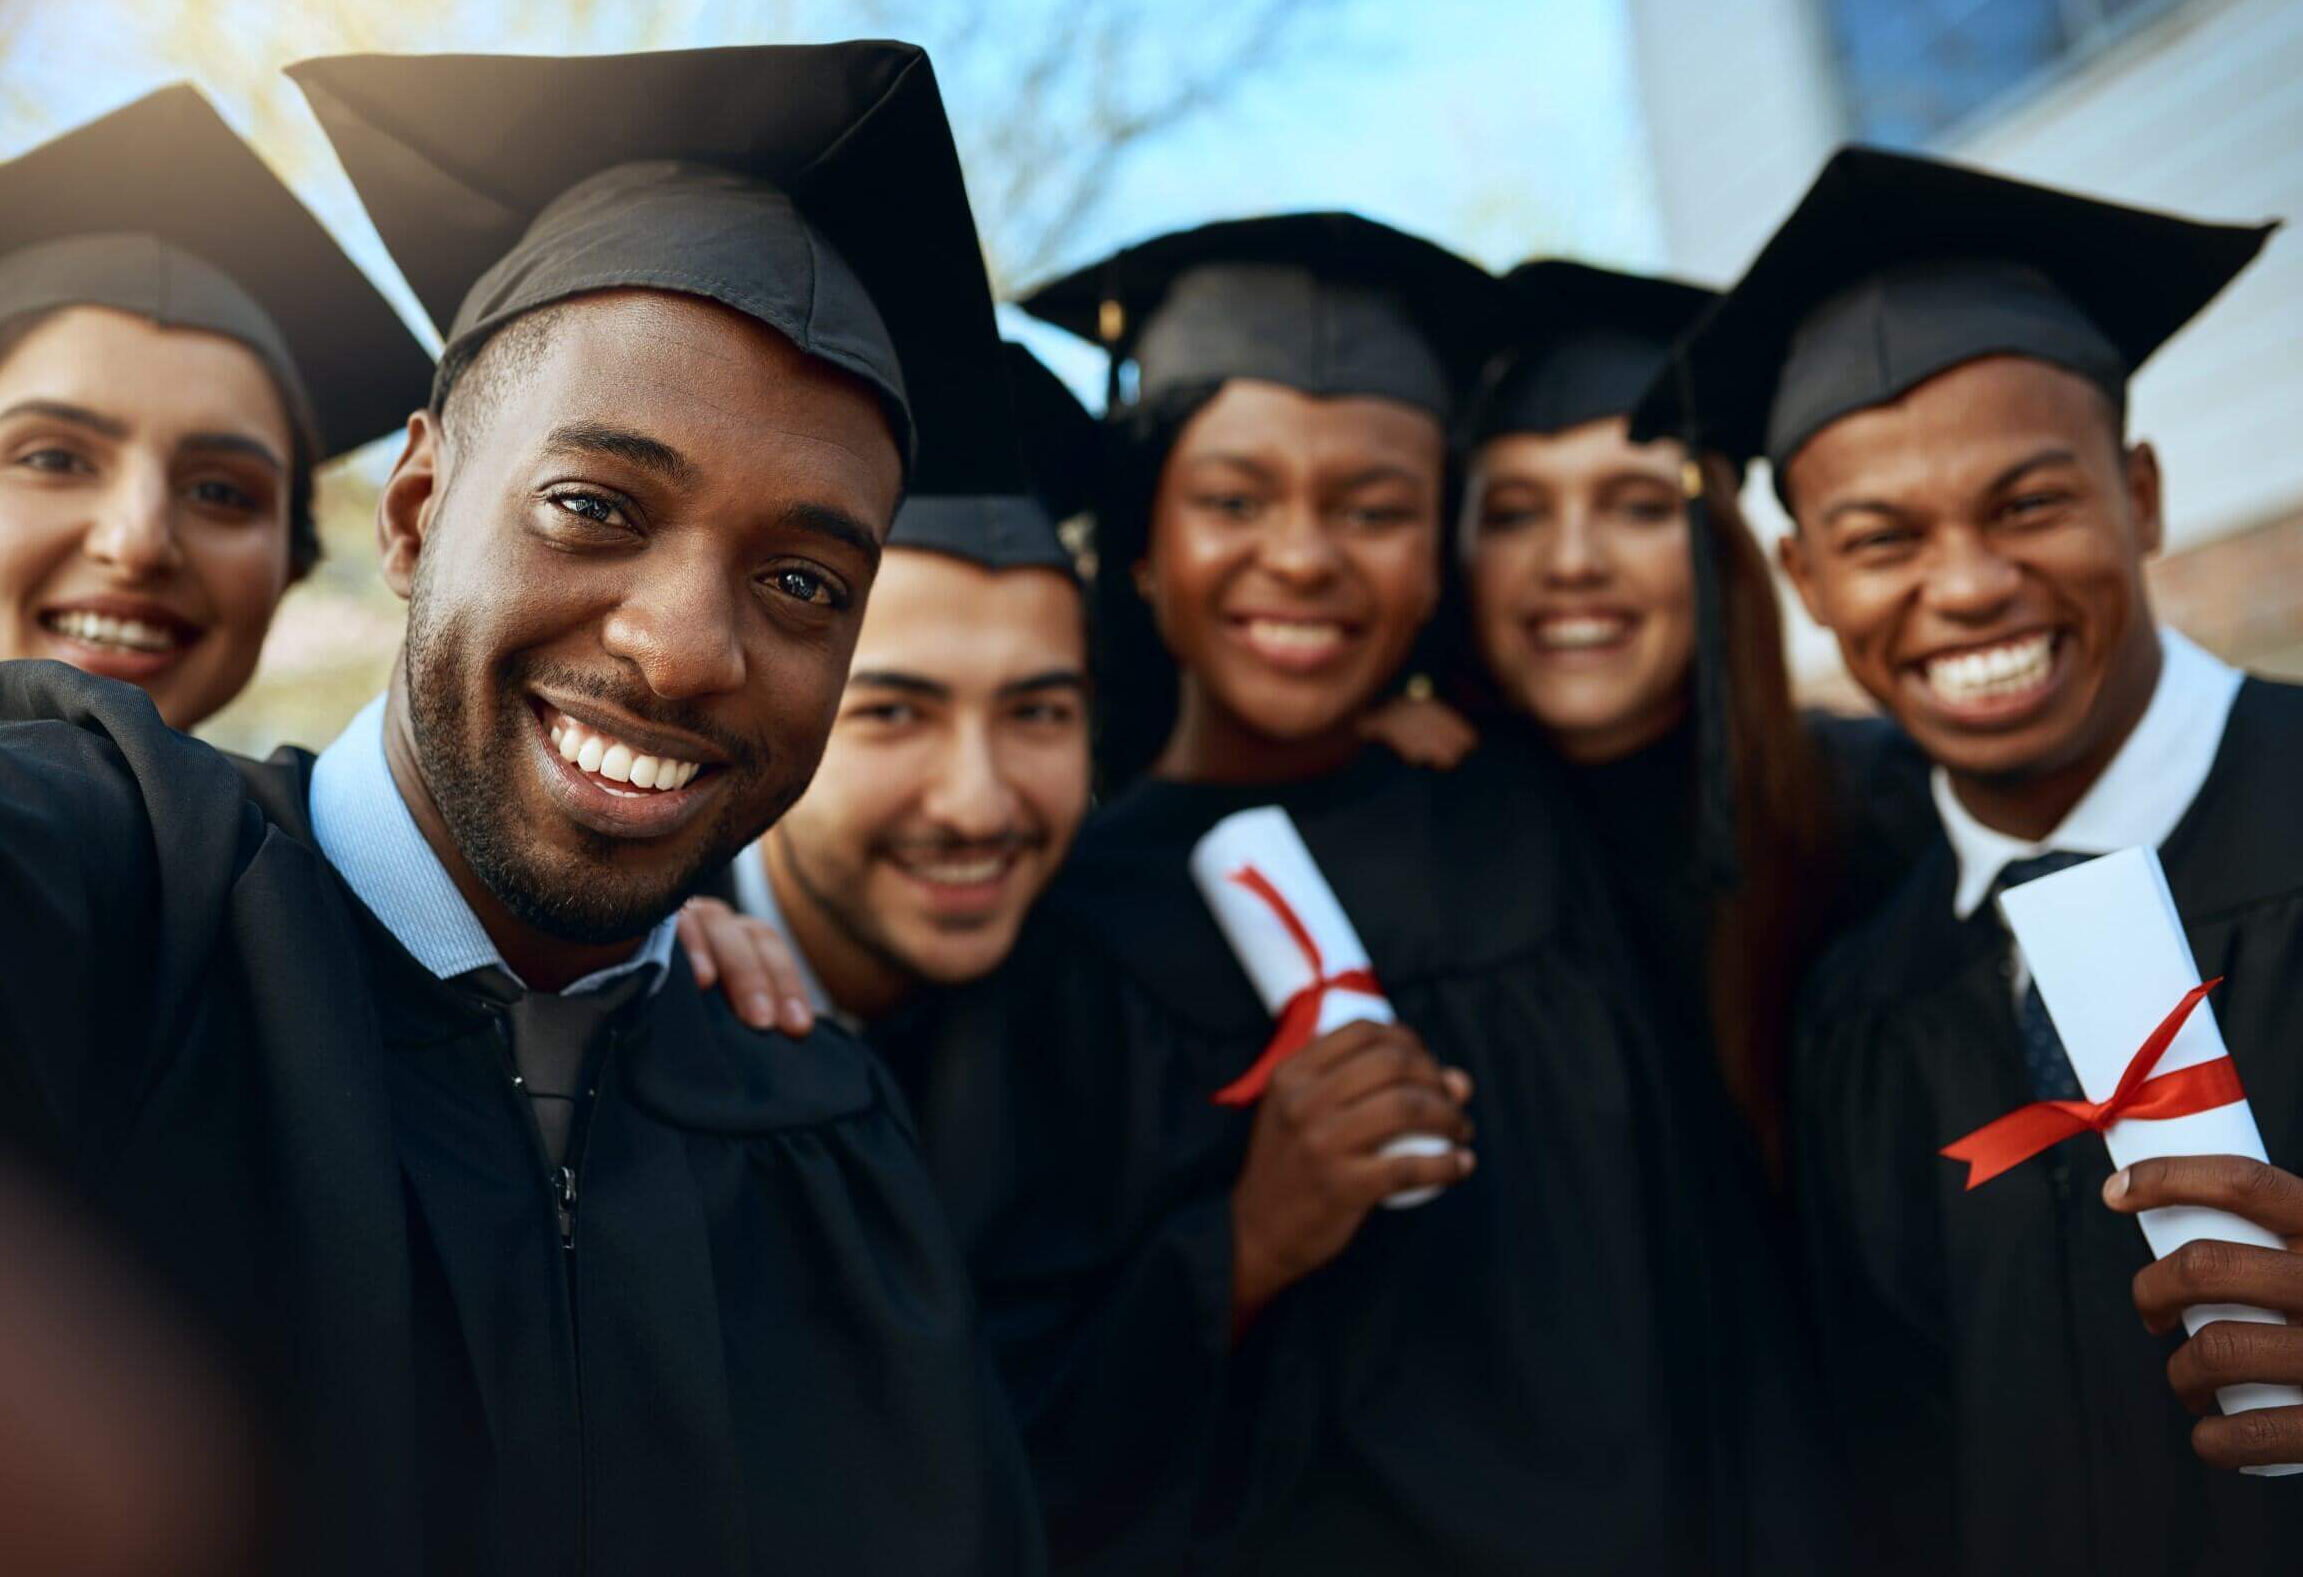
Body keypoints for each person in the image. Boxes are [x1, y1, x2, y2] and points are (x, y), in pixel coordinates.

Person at [0, 40, 1041, 1577]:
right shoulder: (97, 868)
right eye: (595, 508)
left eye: (805, 582)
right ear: (417, 513)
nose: (687, 649)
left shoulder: (816, 1121)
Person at [921, 212, 1834, 1574]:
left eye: (1377, 508)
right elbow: (999, 1427)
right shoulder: (1053, 927)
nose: (1303, 557)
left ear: (1434, 572)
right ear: (1144, 549)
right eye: (1233, 501)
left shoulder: (1528, 809)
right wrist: (1240, 1244)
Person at [1638, 143, 2301, 1573]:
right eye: (1879, 540)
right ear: (1809, 582)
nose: (1968, 586)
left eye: (2030, 505)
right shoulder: (1860, 1006)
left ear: (2140, 495)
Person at [0, 85, 433, 741]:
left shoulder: (335, 867)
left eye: (221, 491)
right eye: (53, 459)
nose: (136, 544)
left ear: (289, 565)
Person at [1446, 257, 1930, 1165]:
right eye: (1514, 515)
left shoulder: (1886, 812)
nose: (1573, 561)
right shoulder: (1423, 858)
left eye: (1636, 506)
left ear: (1721, 552)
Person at [678, 346, 1093, 1041]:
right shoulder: (630, 991)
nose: (978, 808)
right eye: (894, 713)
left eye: (1037, 712)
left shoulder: (1096, 1011)